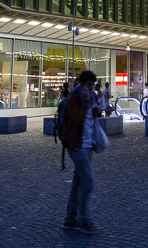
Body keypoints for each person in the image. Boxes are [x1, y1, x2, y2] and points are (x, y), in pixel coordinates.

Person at [62, 70, 102, 235]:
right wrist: (86, 103)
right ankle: (84, 219)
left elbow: (89, 119)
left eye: (92, 86)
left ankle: (70, 218)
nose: (90, 89)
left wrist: (98, 110)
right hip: (76, 146)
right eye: (88, 86)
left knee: (78, 182)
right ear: (81, 84)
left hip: (87, 145)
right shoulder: (73, 99)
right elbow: (77, 120)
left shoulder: (90, 97)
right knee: (89, 182)